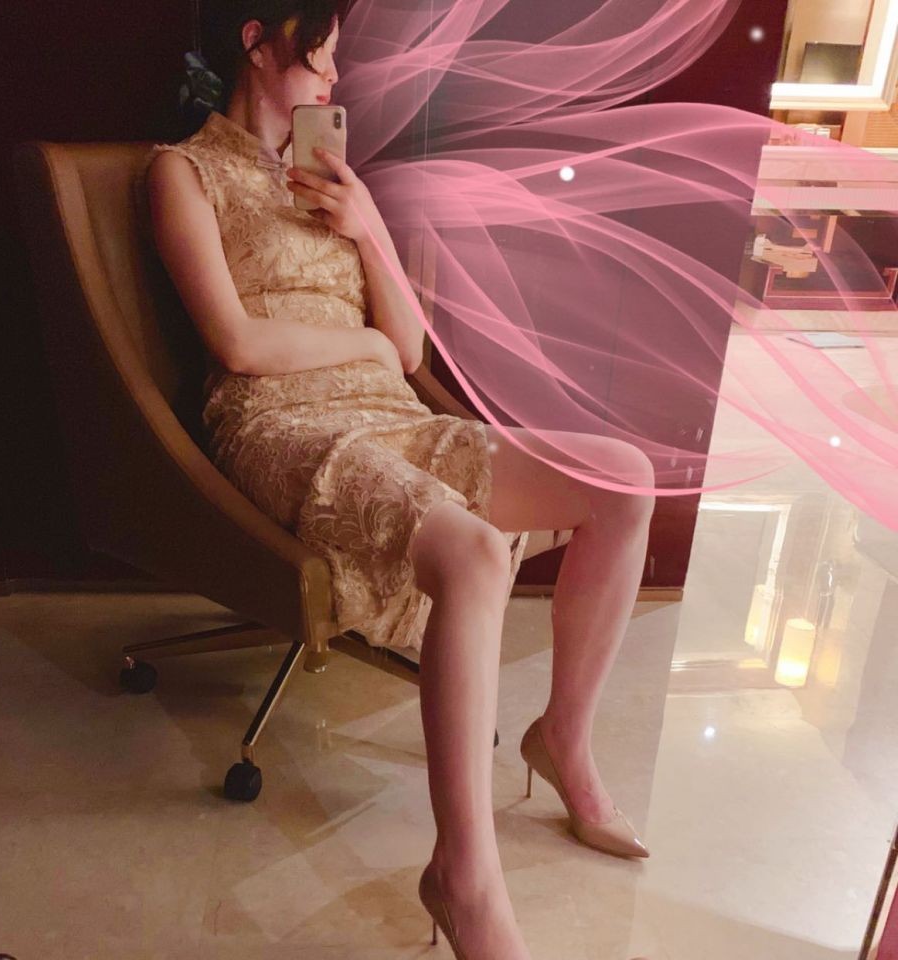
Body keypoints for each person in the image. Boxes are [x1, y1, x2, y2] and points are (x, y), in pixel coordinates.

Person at [143, 3, 656, 957]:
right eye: (322, 55)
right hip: (278, 423)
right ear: (256, 40)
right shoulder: (183, 171)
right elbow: (236, 343)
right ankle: (464, 878)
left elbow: (410, 349)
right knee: (471, 554)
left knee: (625, 479)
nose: (336, 79)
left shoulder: (337, 180)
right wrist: (369, 345)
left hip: (389, 411)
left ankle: (565, 741)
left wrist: (367, 225)